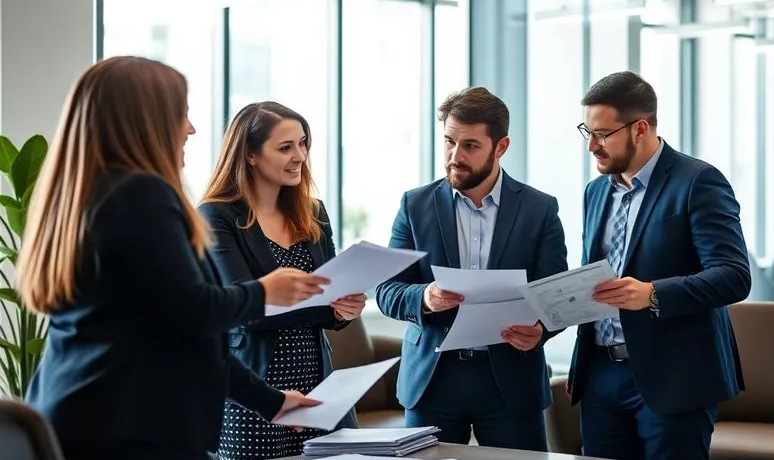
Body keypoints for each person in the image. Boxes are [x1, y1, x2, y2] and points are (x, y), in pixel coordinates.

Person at [18, 56, 328, 460]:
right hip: (127, 427)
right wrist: (264, 292)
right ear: (144, 121)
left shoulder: (82, 192)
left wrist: (270, 402)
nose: (190, 128)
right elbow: (194, 310)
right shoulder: (140, 193)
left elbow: (181, 332)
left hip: (80, 414)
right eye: (180, 114)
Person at [567, 71, 751, 460]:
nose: (592, 147)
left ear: (640, 128)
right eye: (588, 132)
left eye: (602, 134)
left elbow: (734, 276)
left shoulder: (698, 181)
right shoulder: (595, 191)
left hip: (674, 377)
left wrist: (652, 294)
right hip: (600, 373)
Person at [376, 87, 567, 451]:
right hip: (432, 381)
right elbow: (388, 291)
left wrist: (540, 331)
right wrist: (425, 297)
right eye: (449, 141)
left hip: (512, 381)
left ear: (501, 147)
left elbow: (555, 295)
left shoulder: (540, 209)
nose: (455, 156)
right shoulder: (415, 205)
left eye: (470, 146)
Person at [200, 101, 367, 459]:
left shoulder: (314, 212)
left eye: (303, 144)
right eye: (286, 147)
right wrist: (323, 306)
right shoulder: (217, 216)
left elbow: (330, 293)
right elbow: (245, 310)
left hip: (318, 383)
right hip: (254, 389)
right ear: (250, 155)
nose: (300, 156)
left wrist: (342, 311)